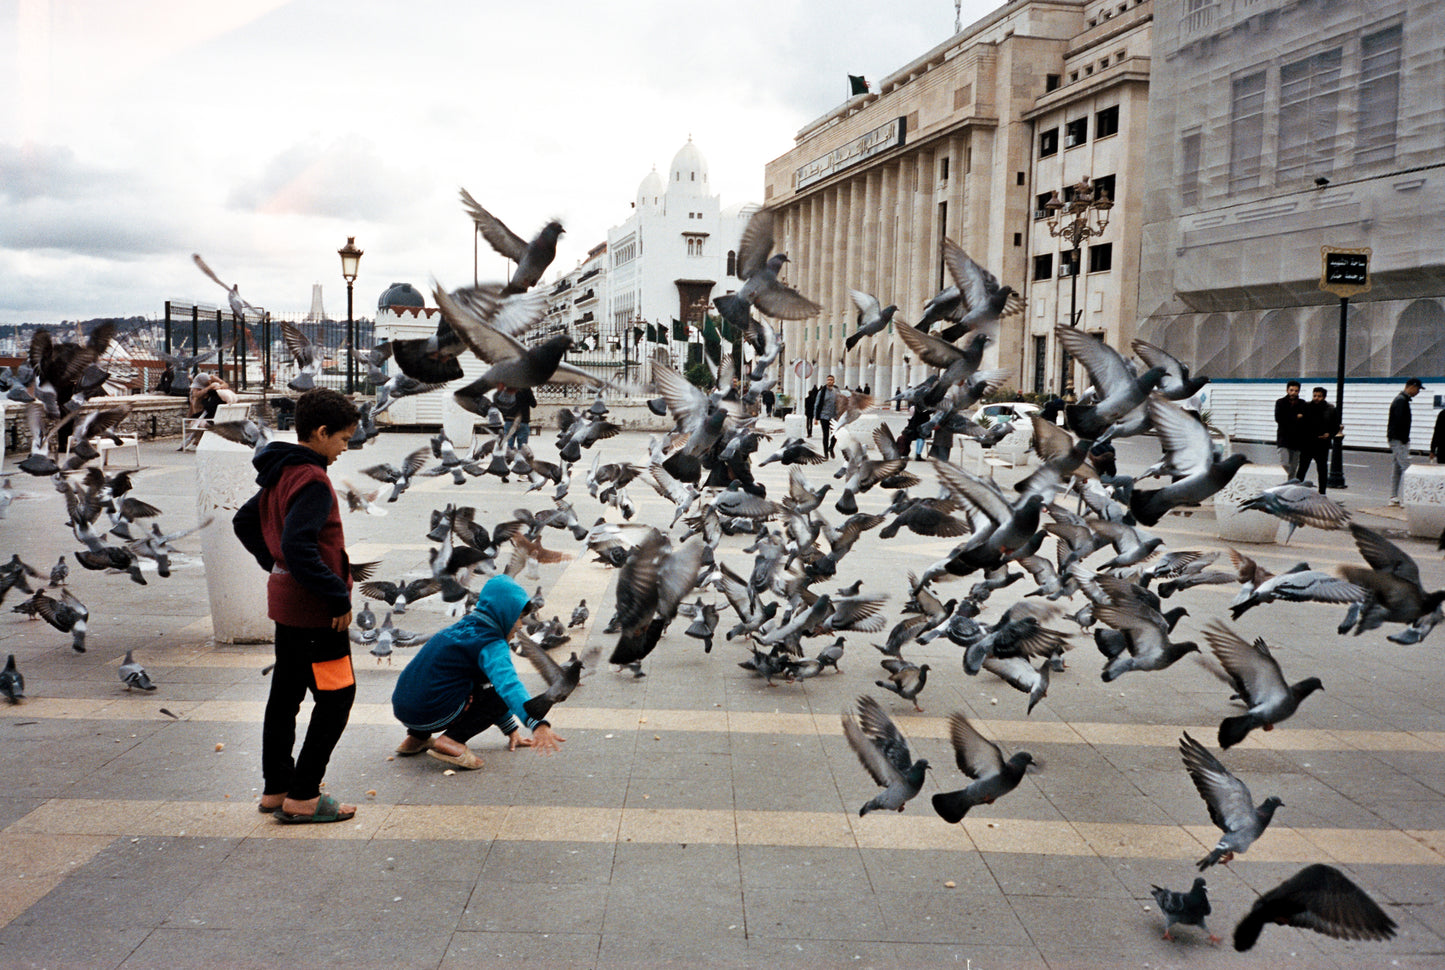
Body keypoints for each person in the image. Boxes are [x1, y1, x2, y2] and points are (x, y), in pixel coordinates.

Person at [233, 388, 361, 824]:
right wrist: (336, 594)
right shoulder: (312, 479)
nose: (344, 449)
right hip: (316, 613)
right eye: (343, 439)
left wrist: (275, 564)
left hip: (287, 606)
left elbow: (244, 521)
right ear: (321, 433)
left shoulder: (281, 470)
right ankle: (304, 795)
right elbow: (299, 545)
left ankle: (276, 788)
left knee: (285, 695)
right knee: (337, 697)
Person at [391, 574, 562, 769]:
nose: (520, 625)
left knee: (448, 683)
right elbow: (508, 687)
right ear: (505, 614)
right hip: (432, 712)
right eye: (519, 618)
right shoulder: (491, 643)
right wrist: (537, 723)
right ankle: (452, 741)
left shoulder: (461, 627)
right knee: (498, 693)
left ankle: (416, 739)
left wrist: (511, 731)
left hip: (405, 709)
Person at [1388, 377, 1424, 505]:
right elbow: (1400, 421)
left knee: (1397, 468)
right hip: (1399, 439)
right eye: (1418, 389)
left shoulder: (1400, 399)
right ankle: (1408, 498)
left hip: (1396, 437)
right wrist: (1404, 439)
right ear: (1412, 387)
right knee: (1406, 468)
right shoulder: (1401, 401)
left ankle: (1393, 496)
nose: (1418, 392)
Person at [1299, 386, 1339, 493]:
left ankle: (1322, 492)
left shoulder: (1330, 409)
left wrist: (1329, 434)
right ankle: (1296, 490)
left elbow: (1335, 426)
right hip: (1307, 443)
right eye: (1315, 396)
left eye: (1319, 396)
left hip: (1322, 444)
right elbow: (1301, 424)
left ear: (1324, 397)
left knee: (1322, 469)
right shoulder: (1306, 407)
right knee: (1302, 469)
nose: (1316, 398)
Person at [1274, 380, 1307, 478]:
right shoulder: (1280, 402)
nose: (1293, 393)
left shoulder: (1302, 403)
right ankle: (1285, 481)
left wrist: (1289, 417)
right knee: (1284, 463)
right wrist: (1296, 417)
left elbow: (1304, 419)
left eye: (1296, 391)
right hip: (1283, 438)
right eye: (1291, 390)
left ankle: (1290, 483)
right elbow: (1279, 418)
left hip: (1297, 440)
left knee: (1293, 467)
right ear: (1287, 390)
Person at [494, 383, 536, 449]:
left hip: (509, 420)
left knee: (507, 447)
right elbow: (534, 404)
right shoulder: (526, 387)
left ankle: (508, 454)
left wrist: (505, 414)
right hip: (523, 420)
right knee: (522, 448)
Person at [816, 375, 840, 460]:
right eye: (828, 380)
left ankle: (831, 447)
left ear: (833, 381)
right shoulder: (822, 392)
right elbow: (817, 404)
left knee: (836, 434)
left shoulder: (836, 391)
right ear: (826, 381)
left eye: (831, 380)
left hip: (834, 416)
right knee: (825, 435)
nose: (829, 381)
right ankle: (825, 454)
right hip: (824, 416)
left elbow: (839, 403)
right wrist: (816, 417)